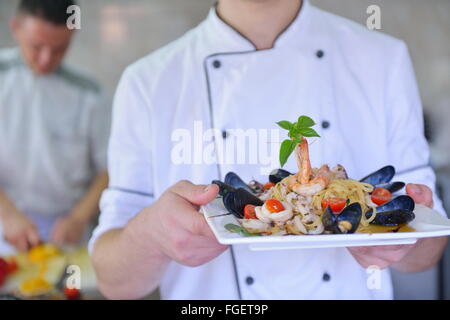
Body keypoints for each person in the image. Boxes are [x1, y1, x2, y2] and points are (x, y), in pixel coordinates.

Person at [90, 0, 448, 299]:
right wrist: (149, 235)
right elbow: (114, 284)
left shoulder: (383, 59)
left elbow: (425, 253)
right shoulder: (147, 82)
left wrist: (406, 237)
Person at [0, 0, 110, 252]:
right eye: (36, 46)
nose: (45, 59)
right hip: (5, 226)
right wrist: (6, 213)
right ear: (16, 28)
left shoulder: (91, 93)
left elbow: (109, 169)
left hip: (68, 234)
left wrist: (79, 218)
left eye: (59, 49)